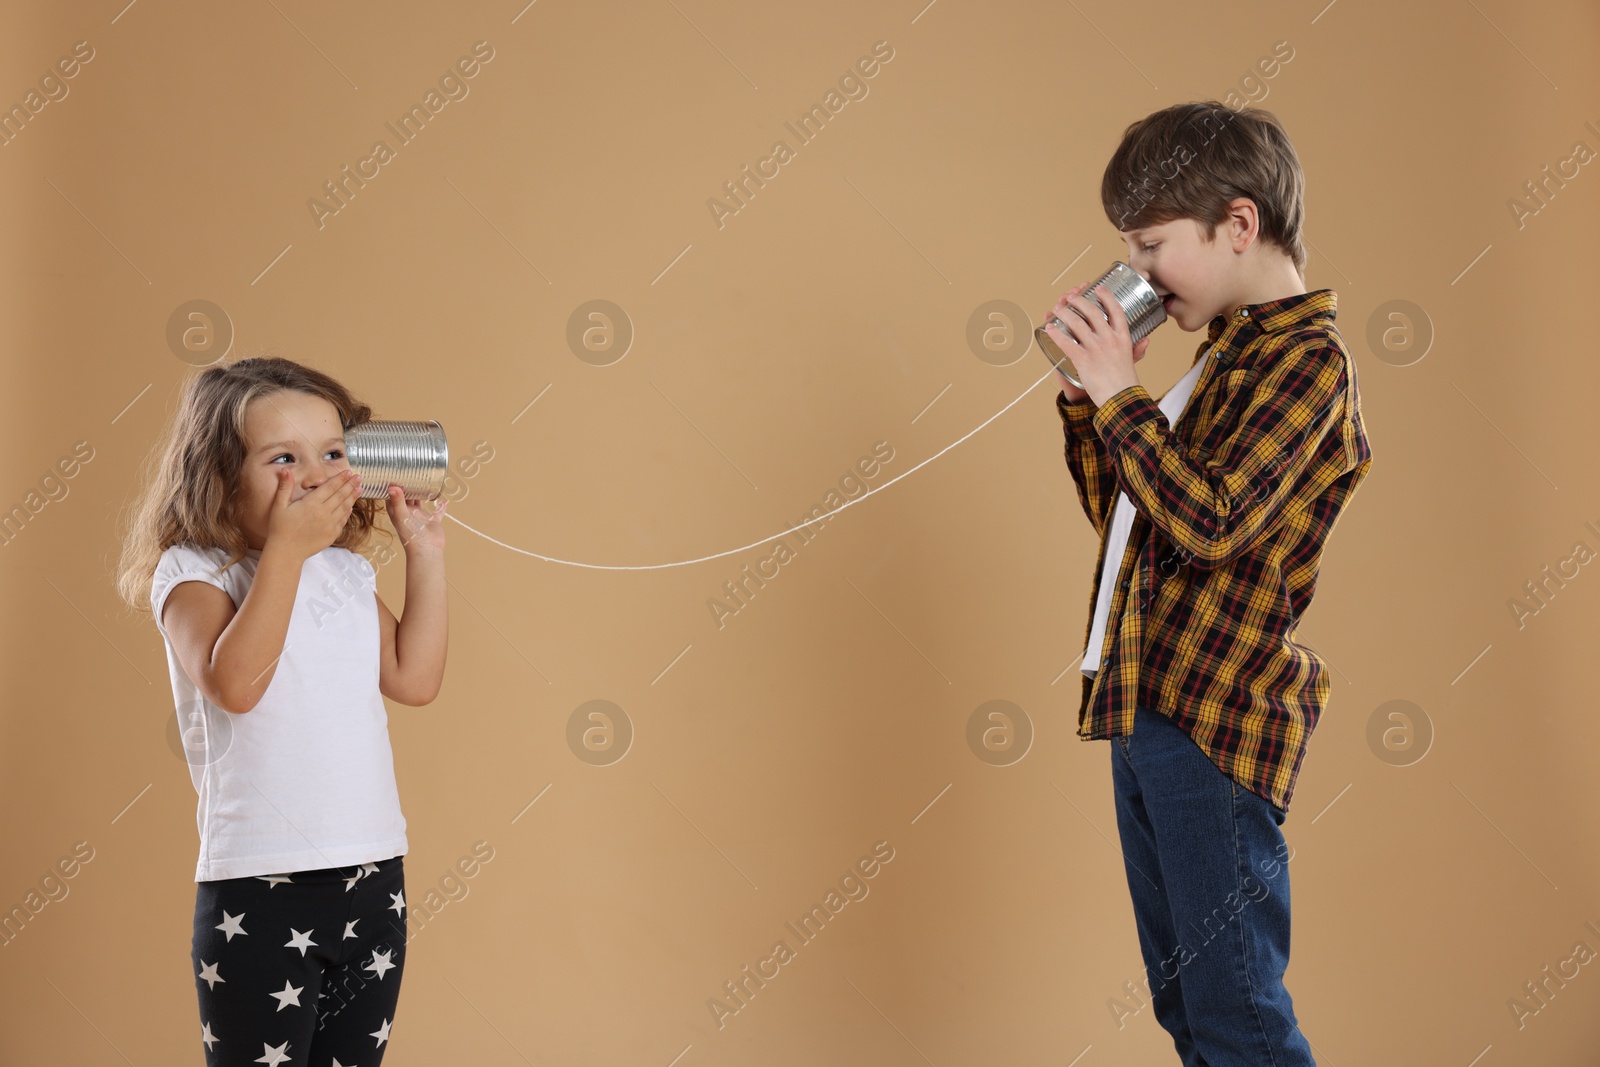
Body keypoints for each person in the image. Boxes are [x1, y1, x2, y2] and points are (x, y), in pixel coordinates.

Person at [1043, 101, 1373, 1064]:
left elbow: (1213, 522)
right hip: (1149, 710)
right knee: (1187, 1007)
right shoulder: (1222, 358)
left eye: (1151, 248)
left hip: (1215, 722)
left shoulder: (1308, 366)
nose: (1135, 276)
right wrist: (1088, 404)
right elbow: (1136, 524)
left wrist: (1123, 399)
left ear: (1238, 225)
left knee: (1237, 1010)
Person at [115, 357, 449, 1066]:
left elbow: (415, 678)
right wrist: (289, 553)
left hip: (372, 877)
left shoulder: (346, 573)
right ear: (220, 475)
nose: (314, 476)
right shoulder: (194, 574)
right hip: (260, 889)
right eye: (283, 459)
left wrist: (424, 552)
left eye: (331, 454)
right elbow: (236, 683)